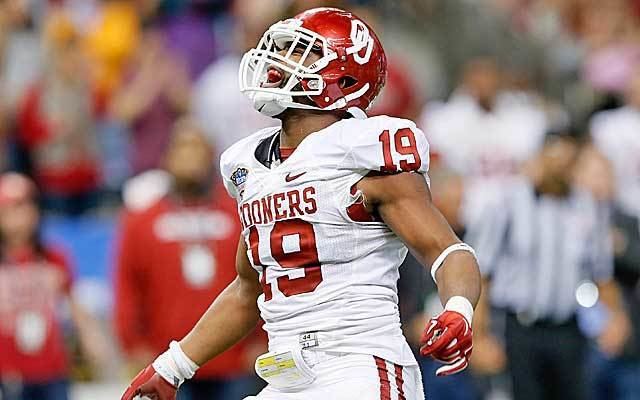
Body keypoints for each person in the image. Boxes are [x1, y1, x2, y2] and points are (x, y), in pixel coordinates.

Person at [121, 8, 481, 400]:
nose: (278, 60)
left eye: (298, 51)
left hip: (359, 367)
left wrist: (458, 308)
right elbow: (248, 289)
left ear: (343, 76)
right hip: (287, 378)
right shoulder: (250, 166)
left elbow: (449, 252)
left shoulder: (365, 153)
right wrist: (171, 367)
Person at [467, 132, 631, 400]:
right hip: (521, 328)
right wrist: (480, 335)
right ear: (540, 158)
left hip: (569, 328)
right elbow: (482, 273)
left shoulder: (587, 205)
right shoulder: (509, 203)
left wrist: (615, 316)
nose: (560, 168)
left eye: (568, 162)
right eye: (555, 159)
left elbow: (601, 273)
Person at [113, 118, 265, 400]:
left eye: (197, 147)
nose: (189, 156)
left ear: (211, 156)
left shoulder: (241, 213)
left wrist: (264, 341)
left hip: (235, 360)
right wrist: (133, 345)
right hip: (167, 361)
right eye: (182, 147)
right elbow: (127, 287)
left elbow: (266, 275)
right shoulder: (140, 221)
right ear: (167, 157)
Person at [0, 173, 108, 400]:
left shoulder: (55, 258)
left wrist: (92, 341)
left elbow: (74, 304)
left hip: (51, 369)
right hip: (9, 369)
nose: (20, 216)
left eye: (26, 206)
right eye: (11, 209)